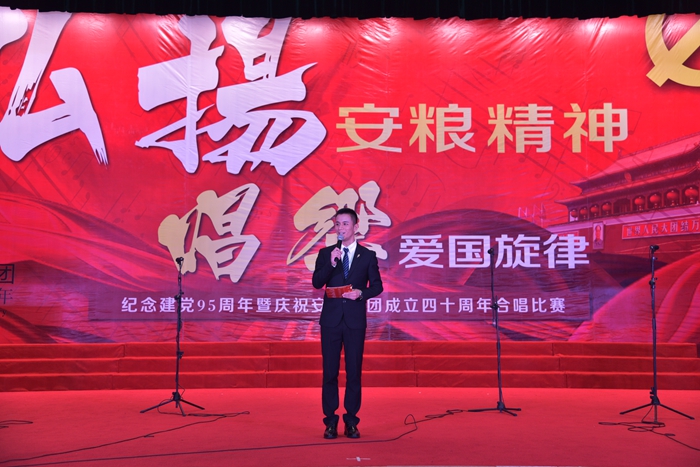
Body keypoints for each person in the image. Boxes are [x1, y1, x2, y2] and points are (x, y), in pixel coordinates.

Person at [312, 207, 383, 439]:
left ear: (355, 226)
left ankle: (351, 421)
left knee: (353, 372)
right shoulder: (326, 254)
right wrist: (331, 264)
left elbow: (377, 286)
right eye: (337, 224)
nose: (340, 228)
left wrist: (361, 293)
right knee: (329, 373)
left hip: (354, 321)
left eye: (345, 223)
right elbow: (316, 282)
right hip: (331, 321)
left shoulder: (368, 256)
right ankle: (330, 421)